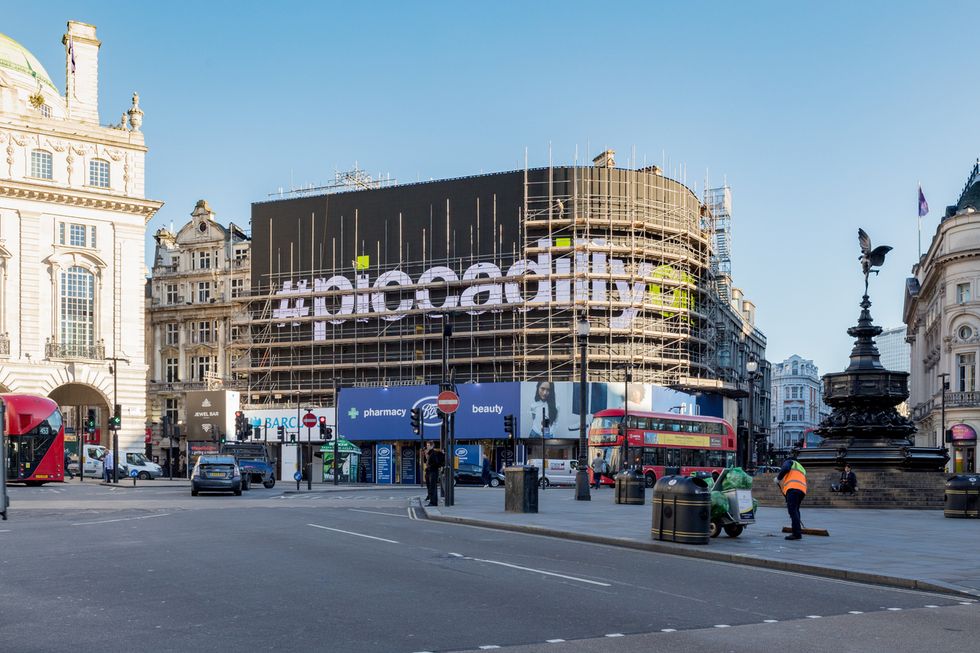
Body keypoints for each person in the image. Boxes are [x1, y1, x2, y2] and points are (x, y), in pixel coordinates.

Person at [776, 453, 807, 540]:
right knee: (796, 510)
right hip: (801, 490)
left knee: (793, 511)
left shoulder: (790, 462)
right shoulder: (801, 467)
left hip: (793, 488)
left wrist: (778, 478)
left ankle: (796, 534)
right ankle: (797, 531)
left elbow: (785, 468)